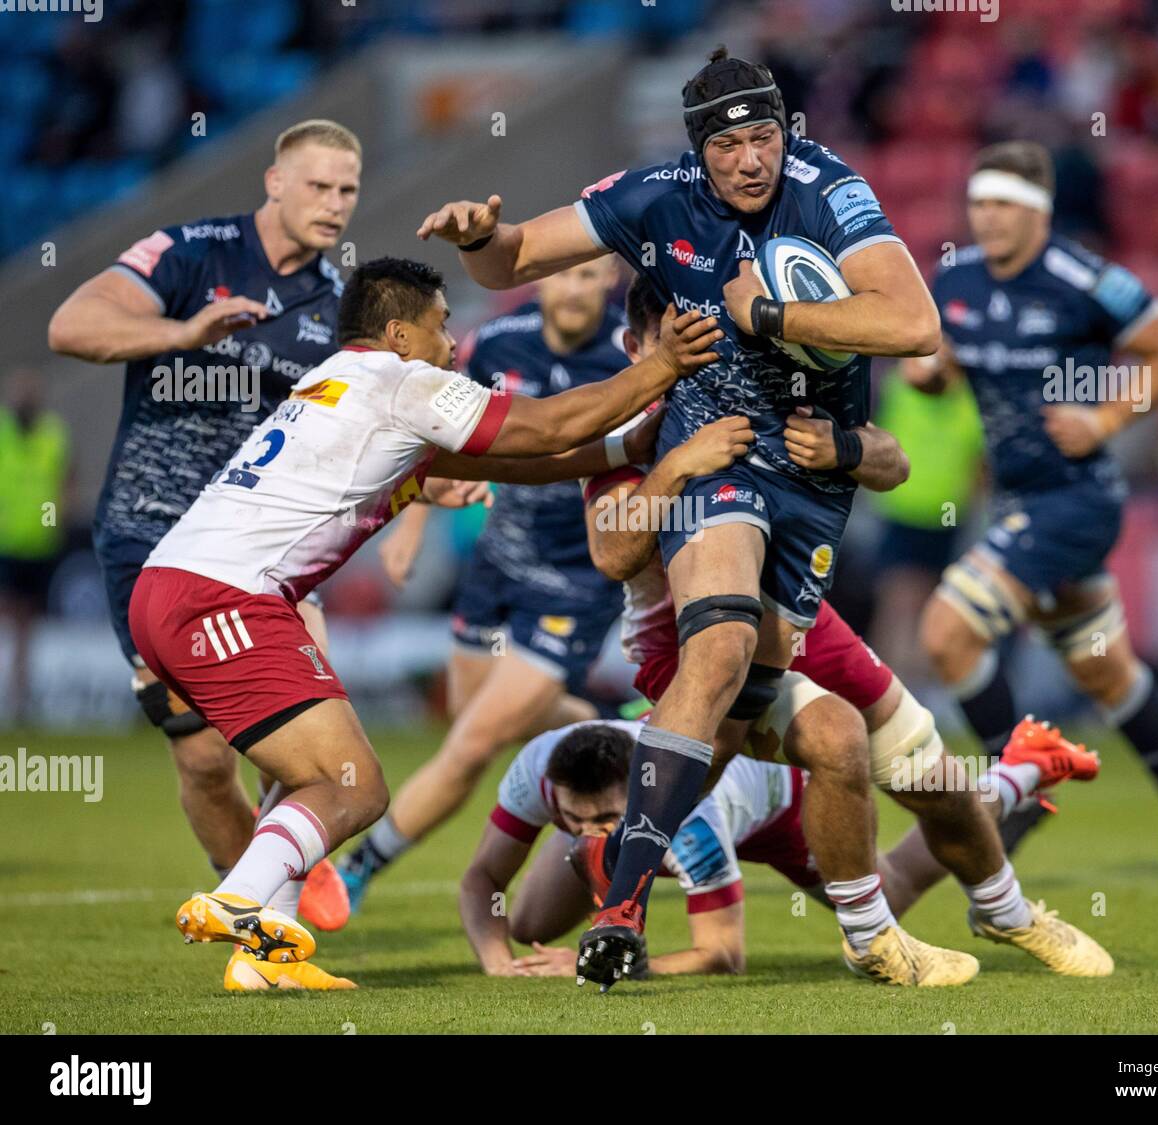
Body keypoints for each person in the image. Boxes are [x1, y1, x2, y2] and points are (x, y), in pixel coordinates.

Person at [417, 47, 944, 990]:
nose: (752, 160)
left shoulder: (832, 189)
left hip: (813, 476)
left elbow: (912, 326)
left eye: (766, 137)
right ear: (699, 150)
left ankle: (977, 863)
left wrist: (773, 317)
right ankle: (622, 913)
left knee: (780, 730)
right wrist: (477, 241)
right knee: (723, 646)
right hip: (714, 446)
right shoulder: (652, 193)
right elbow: (518, 258)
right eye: (731, 144)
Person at [126, 256, 721, 989]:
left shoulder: (336, 380)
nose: (452, 343)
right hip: (224, 599)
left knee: (299, 770)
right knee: (354, 787)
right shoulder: (405, 382)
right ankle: (240, 899)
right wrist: (662, 365)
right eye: (442, 327)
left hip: (177, 587)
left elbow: (515, 459)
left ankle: (263, 960)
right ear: (402, 332)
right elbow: (549, 422)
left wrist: (621, 450)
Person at [565, 277, 1111, 987]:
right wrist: (676, 464)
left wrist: (845, 447)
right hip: (693, 647)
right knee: (835, 735)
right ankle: (869, 938)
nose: (701, 355)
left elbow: (895, 461)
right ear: (637, 346)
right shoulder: (630, 425)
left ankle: (1004, 910)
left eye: (708, 339)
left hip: (803, 617)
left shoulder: (771, 379)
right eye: (678, 343)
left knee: (938, 780)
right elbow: (612, 553)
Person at [46, 119, 364, 930]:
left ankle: (272, 906)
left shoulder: (336, 307)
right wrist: (180, 333)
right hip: (147, 538)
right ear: (275, 182)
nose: (335, 205)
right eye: (319, 186)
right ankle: (248, 891)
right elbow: (70, 326)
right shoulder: (190, 253)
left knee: (304, 725)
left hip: (259, 551)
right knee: (203, 758)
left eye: (349, 190)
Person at [905, 141, 1158, 882]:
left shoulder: (1082, 278)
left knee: (946, 632)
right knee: (1102, 669)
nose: (985, 218)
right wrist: (930, 375)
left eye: (1002, 205)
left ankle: (1014, 788)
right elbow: (938, 368)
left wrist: (1107, 420)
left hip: (1076, 499)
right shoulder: (953, 280)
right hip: (1019, 500)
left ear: (1038, 212)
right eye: (979, 203)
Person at [338, 259, 629, 907]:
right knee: (478, 719)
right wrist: (411, 526)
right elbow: (430, 434)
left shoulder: (628, 354)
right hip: (496, 565)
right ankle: (616, 726)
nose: (575, 289)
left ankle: (359, 865)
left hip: (575, 582)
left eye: (588, 277)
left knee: (471, 742)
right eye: (564, 275)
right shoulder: (495, 341)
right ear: (541, 278)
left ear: (609, 276)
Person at [461, 716, 1102, 979]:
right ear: (553, 796)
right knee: (525, 923)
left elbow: (725, 954)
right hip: (695, 779)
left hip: (783, 799)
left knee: (894, 891)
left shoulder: (687, 816)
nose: (594, 830)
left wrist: (608, 963)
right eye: (575, 819)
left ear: (637, 794)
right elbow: (482, 877)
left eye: (609, 818)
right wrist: (495, 958)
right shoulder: (537, 769)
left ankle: (1016, 771)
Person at [867, 366, 983, 691]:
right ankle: (890, 688)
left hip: (933, 514)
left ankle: (902, 689)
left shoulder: (901, 384)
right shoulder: (963, 393)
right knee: (904, 605)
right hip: (911, 511)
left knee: (912, 606)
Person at [0, 368, 72, 724]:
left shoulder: (53, 434)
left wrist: (52, 521)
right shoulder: (3, 433)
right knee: (11, 621)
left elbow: (62, 483)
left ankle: (18, 700)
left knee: (25, 628)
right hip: (5, 543)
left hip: (38, 545)